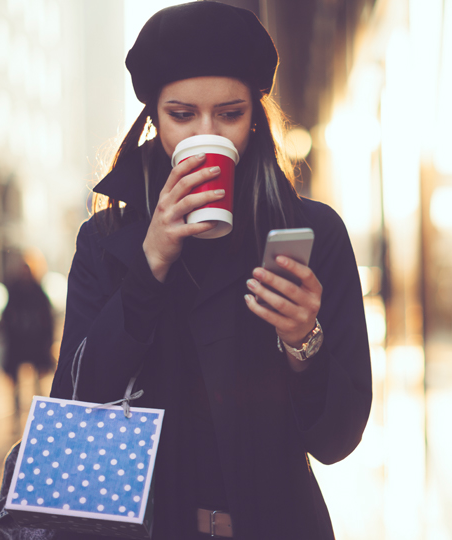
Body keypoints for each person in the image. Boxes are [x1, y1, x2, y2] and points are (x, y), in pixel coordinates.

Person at [48, 3, 372, 539]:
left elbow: (337, 439)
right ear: (154, 116)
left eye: (229, 113)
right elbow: (77, 408)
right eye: (182, 114)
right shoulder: (108, 242)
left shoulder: (310, 236)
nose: (207, 132)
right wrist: (149, 264)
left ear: (254, 116)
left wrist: (302, 340)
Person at [0, 261, 54, 420]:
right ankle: (16, 416)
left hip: (36, 343)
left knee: (38, 383)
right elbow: (7, 318)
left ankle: (40, 417)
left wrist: (48, 344)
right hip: (18, 343)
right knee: (15, 385)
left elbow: (47, 320)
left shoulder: (38, 292)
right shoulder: (14, 291)